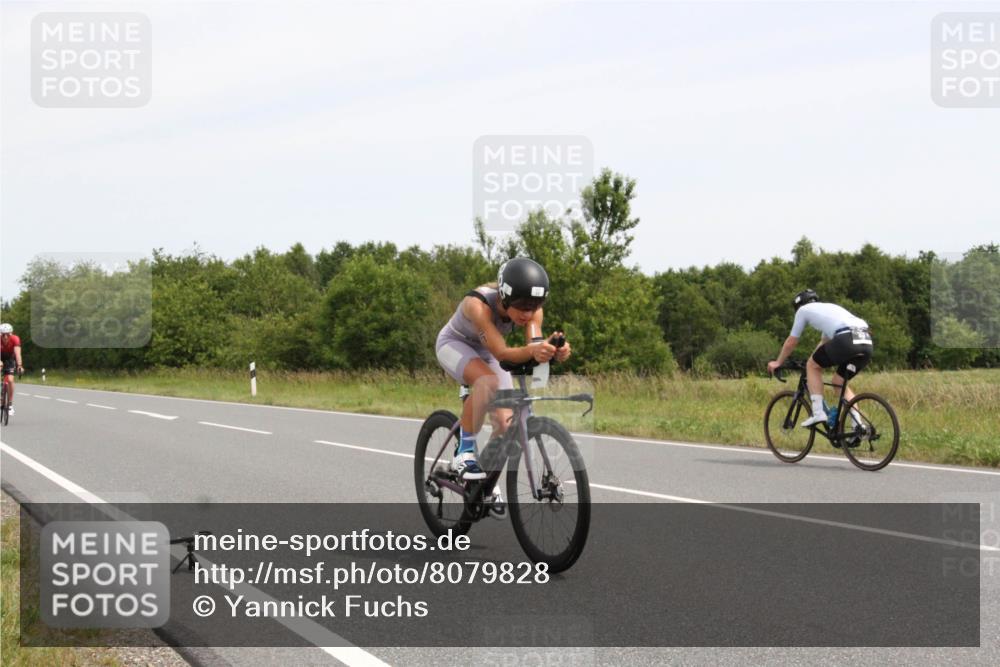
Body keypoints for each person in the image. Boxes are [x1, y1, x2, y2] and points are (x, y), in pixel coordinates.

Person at [435, 258, 571, 483]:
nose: (527, 314)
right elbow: (502, 354)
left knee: (505, 423)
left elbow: (534, 346)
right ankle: (464, 452)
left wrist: (553, 350)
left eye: (533, 307)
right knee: (487, 381)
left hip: (487, 350)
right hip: (454, 344)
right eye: (522, 306)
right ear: (505, 297)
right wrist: (534, 351)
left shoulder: (533, 311)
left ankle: (482, 481)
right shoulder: (478, 305)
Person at [766, 290, 873, 428]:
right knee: (838, 382)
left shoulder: (803, 310)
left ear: (798, 305)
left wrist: (778, 362)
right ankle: (858, 425)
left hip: (846, 338)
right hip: (866, 341)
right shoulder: (830, 310)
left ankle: (818, 413)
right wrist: (812, 360)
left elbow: (791, 341)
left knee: (812, 366)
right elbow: (823, 343)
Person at [1, 323, 24, 415]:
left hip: (10, 358)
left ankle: (10, 404)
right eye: (3, 334)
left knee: (10, 380)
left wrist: (19, 365)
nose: (5, 337)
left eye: (8, 334)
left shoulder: (15, 339)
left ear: (11, 333)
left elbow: (18, 354)